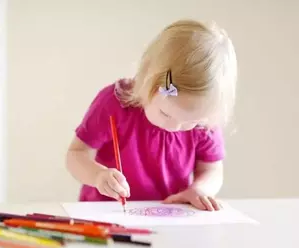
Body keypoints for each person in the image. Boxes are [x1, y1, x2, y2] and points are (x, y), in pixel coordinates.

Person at [66, 19, 237, 211]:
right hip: (106, 213)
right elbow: (76, 155)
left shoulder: (204, 121)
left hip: (169, 216)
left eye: (191, 121)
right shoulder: (114, 103)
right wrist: (97, 176)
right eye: (165, 113)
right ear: (148, 82)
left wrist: (200, 189)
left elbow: (212, 169)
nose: (175, 127)